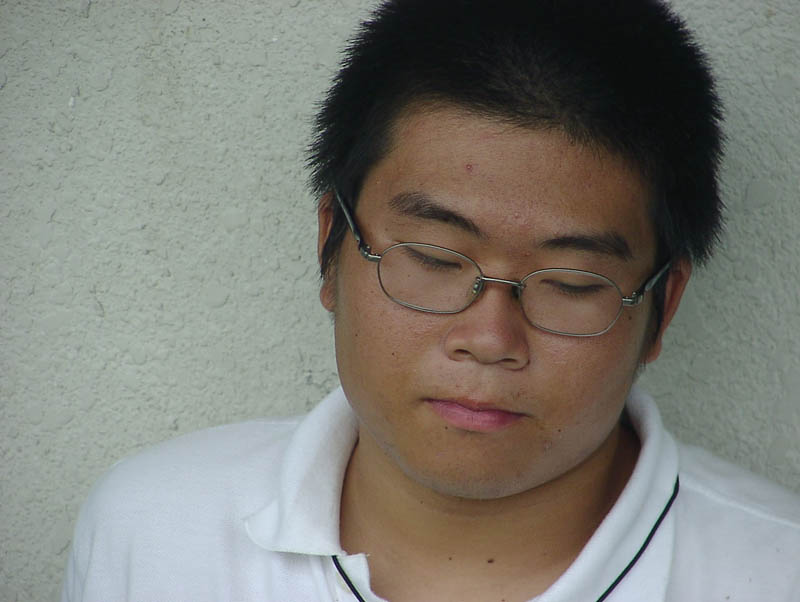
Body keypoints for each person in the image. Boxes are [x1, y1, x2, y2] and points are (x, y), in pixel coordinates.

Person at [62, 1, 800, 601]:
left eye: (573, 282)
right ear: (331, 246)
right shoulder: (156, 531)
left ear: (662, 307)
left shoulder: (775, 573)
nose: (490, 338)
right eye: (433, 258)